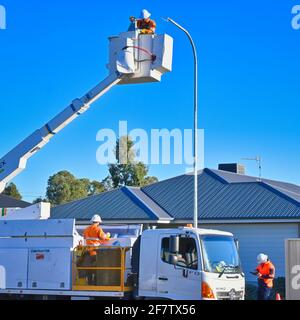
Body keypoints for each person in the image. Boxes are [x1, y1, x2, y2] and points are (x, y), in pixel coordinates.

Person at [81, 215, 110, 285]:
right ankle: (96, 283)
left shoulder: (86, 229)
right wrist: (108, 236)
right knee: (97, 268)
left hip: (87, 251)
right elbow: (104, 238)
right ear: (98, 222)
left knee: (89, 268)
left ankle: (90, 283)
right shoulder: (98, 229)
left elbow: (84, 238)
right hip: (95, 251)